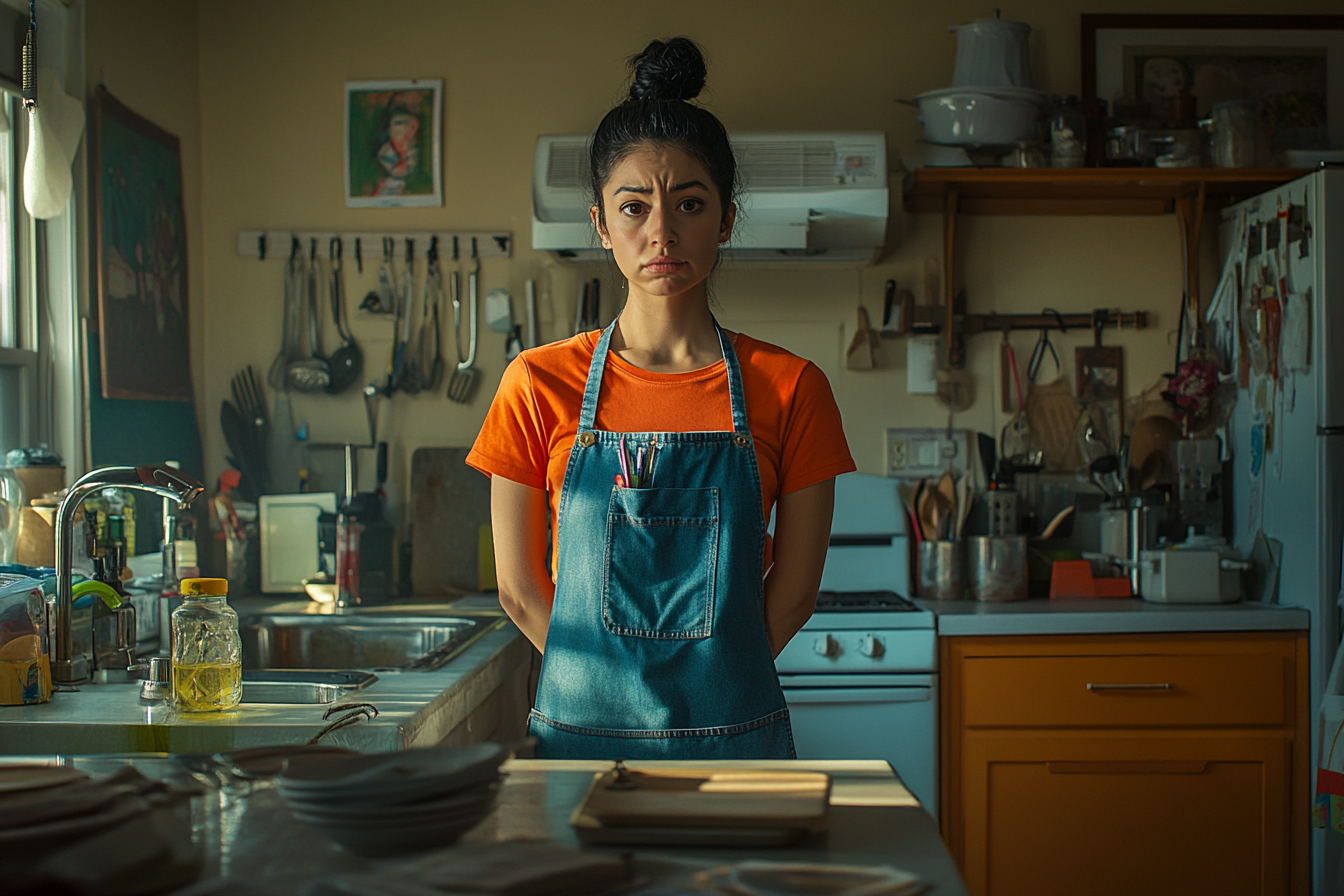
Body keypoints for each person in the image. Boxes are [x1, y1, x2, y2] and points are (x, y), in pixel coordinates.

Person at [467, 37, 854, 759]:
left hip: (734, 742)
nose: (662, 233)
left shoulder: (793, 388)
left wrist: (708, 687)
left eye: (690, 204)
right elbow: (519, 590)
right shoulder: (536, 384)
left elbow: (795, 593)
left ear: (726, 220)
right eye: (634, 207)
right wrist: (610, 686)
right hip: (579, 745)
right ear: (600, 225)